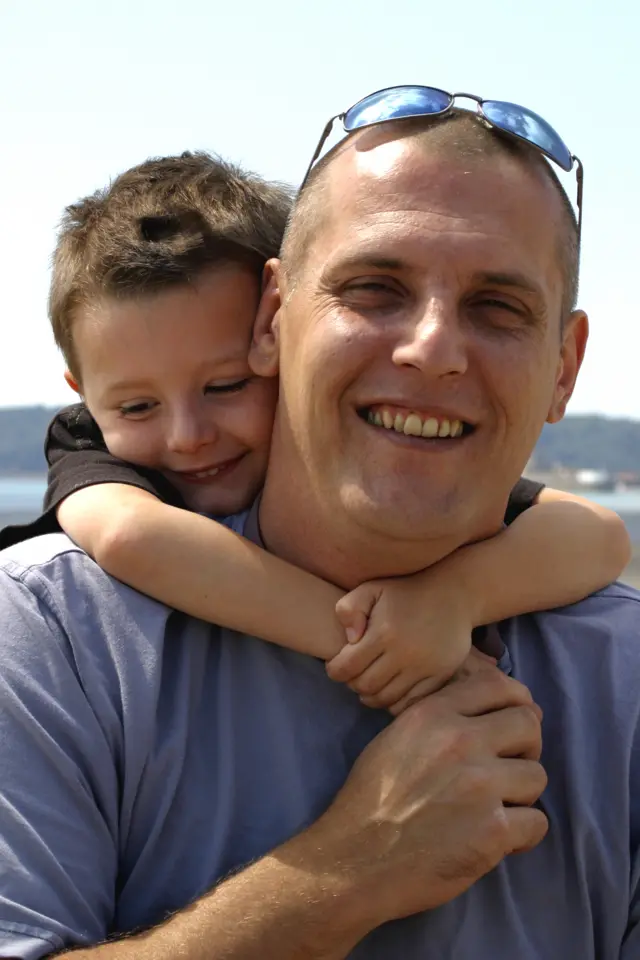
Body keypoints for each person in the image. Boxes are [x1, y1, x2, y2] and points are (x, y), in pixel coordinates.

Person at [0, 89, 639, 958]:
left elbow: (601, 536)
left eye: (498, 307)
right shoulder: (52, 639)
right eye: (375, 288)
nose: (432, 349)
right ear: (272, 317)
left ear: (564, 368)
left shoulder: (623, 677)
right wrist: (349, 870)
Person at [0, 152, 629, 711]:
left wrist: (453, 600)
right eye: (137, 408)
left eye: (225, 387)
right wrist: (379, 645)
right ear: (84, 396)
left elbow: (597, 533)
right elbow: (134, 535)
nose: (188, 435)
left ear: (275, 337)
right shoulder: (84, 485)